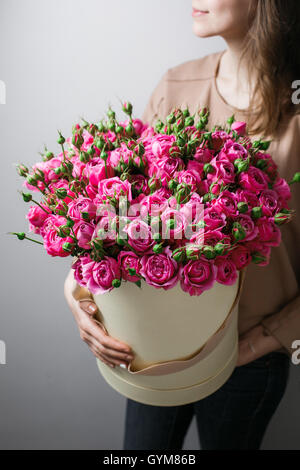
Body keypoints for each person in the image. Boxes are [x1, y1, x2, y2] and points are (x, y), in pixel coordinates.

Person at [64, 0, 300, 450]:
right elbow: (121, 219)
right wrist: (78, 297)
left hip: (250, 356)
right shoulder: (176, 85)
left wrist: (264, 342)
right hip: (153, 348)